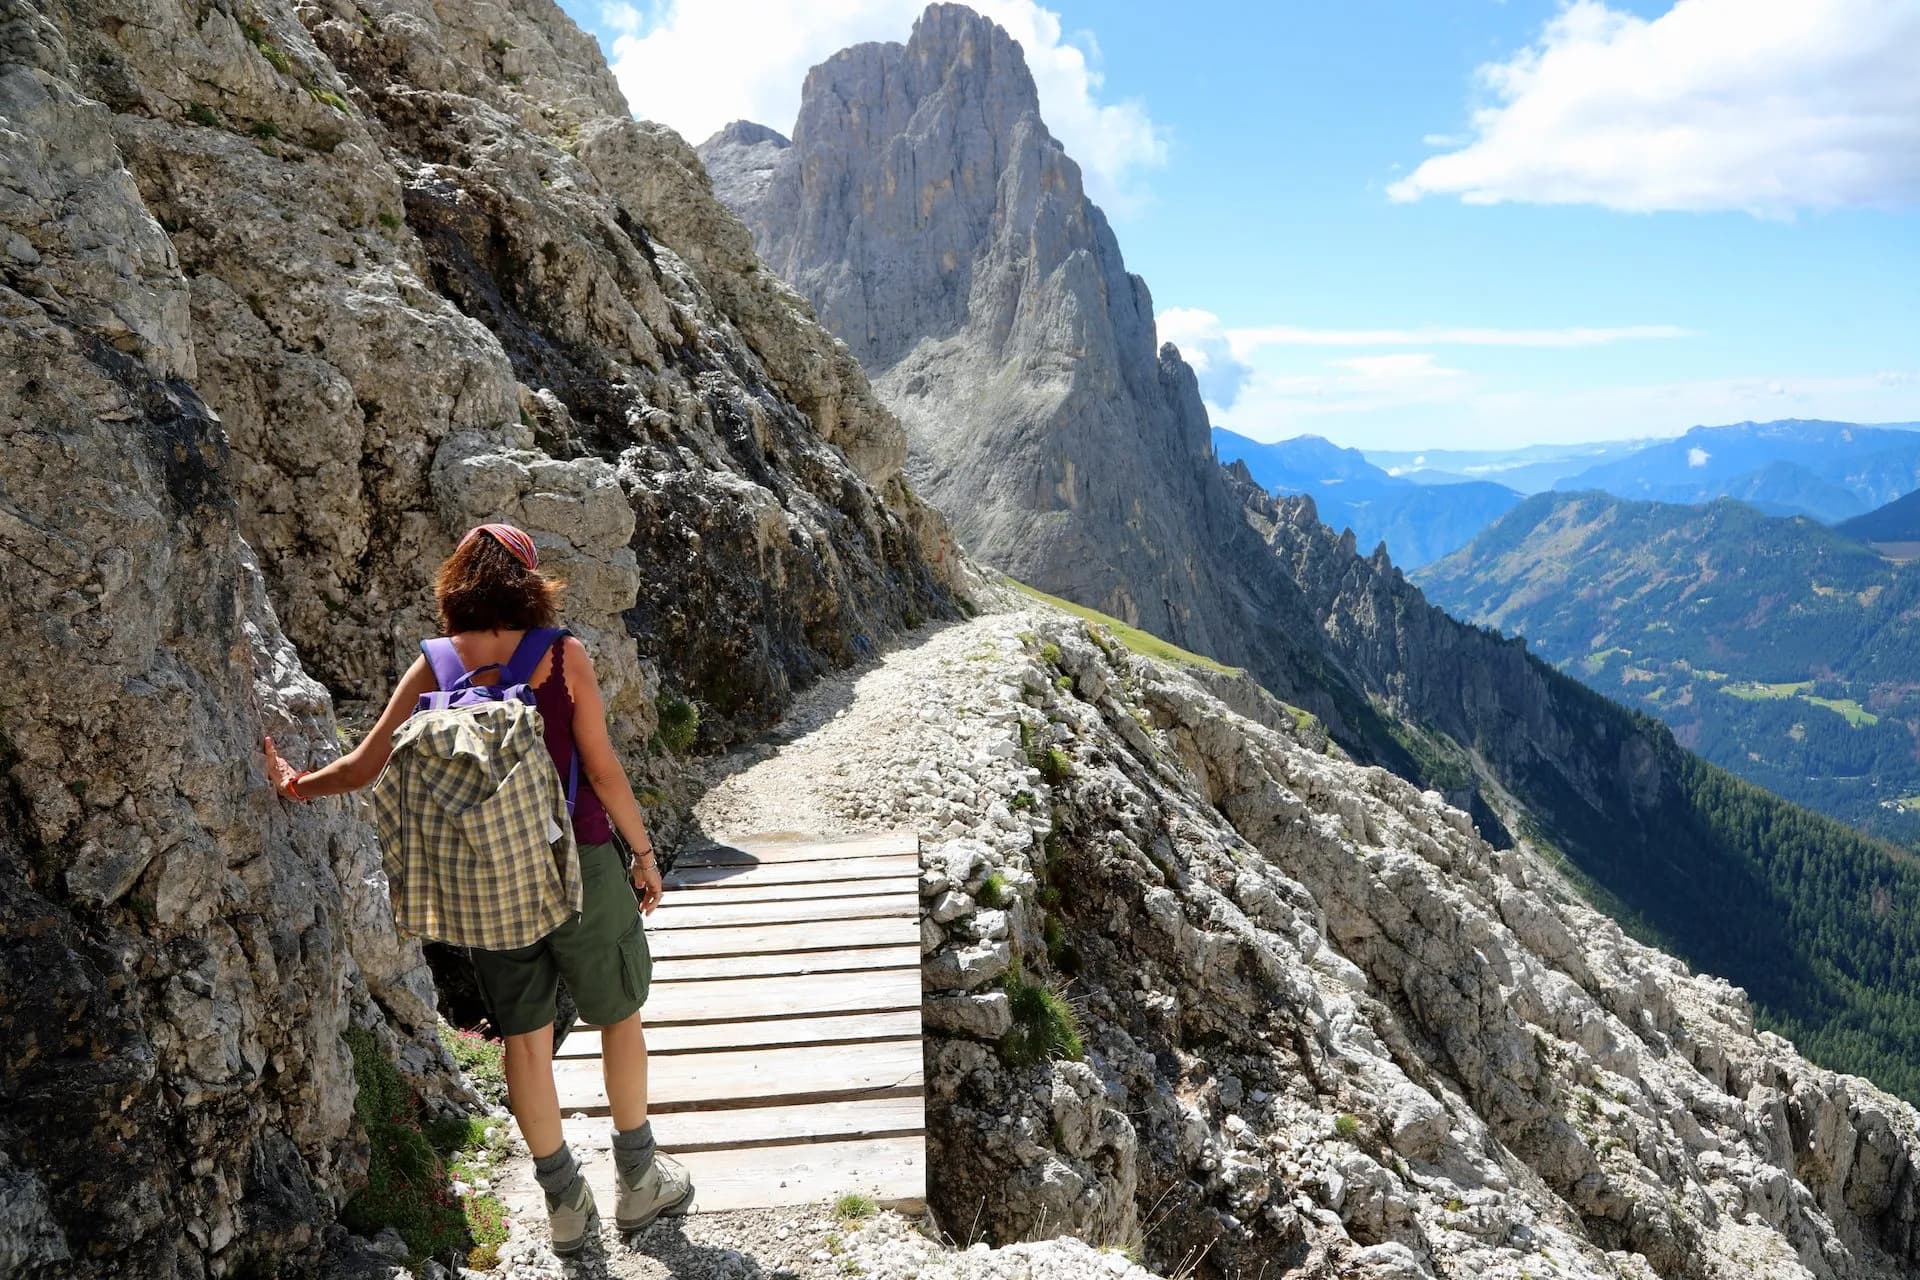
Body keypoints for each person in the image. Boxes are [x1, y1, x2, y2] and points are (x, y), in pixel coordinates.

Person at [263, 522, 694, 1252]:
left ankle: (564, 1206)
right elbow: (602, 769)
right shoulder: (563, 658)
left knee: (524, 1043)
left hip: (490, 880)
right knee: (618, 1016)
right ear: (529, 583)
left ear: (456, 585)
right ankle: (639, 1182)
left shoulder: (435, 663)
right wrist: (643, 854)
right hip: (580, 860)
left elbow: (367, 765)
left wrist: (294, 782)